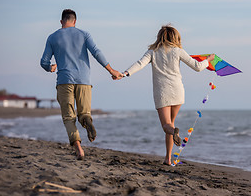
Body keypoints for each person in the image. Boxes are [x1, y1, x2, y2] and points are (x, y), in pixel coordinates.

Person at [123, 24, 214, 165]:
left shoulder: (152, 51)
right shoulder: (178, 51)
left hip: (162, 93)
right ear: (175, 37)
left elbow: (140, 64)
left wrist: (126, 73)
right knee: (170, 124)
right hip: (178, 92)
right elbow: (197, 67)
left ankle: (173, 136)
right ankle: (168, 158)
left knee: (167, 126)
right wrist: (208, 60)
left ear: (160, 37)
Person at [40, 9, 123, 160]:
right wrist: (111, 70)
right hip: (84, 81)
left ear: (61, 21)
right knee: (84, 113)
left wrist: (50, 67)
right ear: (75, 21)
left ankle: (79, 149)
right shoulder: (84, 34)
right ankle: (86, 120)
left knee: (68, 117)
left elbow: (44, 62)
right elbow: (96, 52)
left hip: (64, 81)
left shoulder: (52, 37)